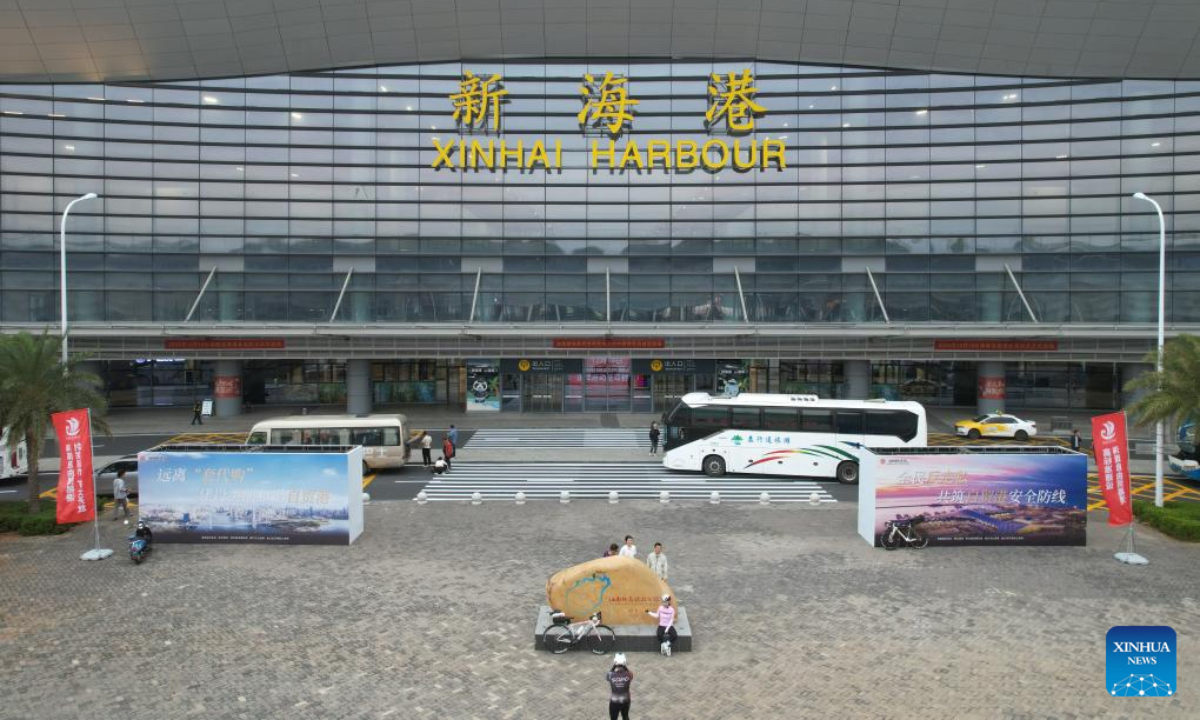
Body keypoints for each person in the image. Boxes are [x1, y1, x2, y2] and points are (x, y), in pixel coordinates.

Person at [606, 653, 633, 720]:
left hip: (614, 702)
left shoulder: (610, 675)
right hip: (626, 701)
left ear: (615, 662)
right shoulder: (629, 674)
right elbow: (629, 672)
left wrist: (614, 666)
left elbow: (608, 676)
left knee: (613, 718)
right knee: (625, 716)